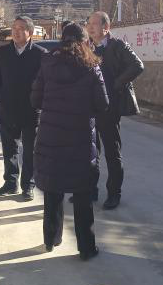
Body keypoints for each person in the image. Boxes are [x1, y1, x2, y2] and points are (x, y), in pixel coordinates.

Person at [31, 23, 109, 260]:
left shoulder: (48, 64)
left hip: (51, 137)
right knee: (83, 194)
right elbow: (103, 104)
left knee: (53, 190)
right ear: (85, 42)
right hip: (81, 138)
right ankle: (86, 248)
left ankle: (51, 239)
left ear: (61, 40)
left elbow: (35, 100)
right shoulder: (92, 67)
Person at [84, 11, 144, 209]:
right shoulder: (87, 47)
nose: (90, 27)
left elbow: (137, 66)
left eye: (95, 24)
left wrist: (115, 85)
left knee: (112, 151)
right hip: (90, 107)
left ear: (106, 27)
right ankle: (90, 190)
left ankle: (114, 193)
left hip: (110, 107)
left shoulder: (118, 46)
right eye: (89, 23)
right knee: (91, 151)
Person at [0, 16, 48, 200]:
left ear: (30, 32)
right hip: (8, 108)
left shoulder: (40, 54)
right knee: (9, 149)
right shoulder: (3, 52)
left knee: (30, 151)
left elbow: (46, 82)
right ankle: (10, 182)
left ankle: (28, 185)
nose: (16, 31)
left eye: (21, 28)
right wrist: (0, 96)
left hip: (31, 111)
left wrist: (39, 103)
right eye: (14, 27)